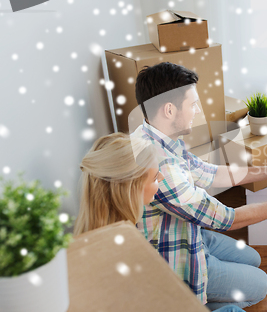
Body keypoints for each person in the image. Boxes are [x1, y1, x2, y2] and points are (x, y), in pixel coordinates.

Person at [133, 62, 267, 310]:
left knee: (253, 259)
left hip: (193, 233)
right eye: (192, 105)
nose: (197, 112)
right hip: (179, 260)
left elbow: (210, 173)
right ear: (169, 110)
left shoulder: (157, 136)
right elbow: (229, 219)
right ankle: (191, 302)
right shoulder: (162, 167)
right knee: (260, 285)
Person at [73, 133, 246, 312]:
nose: (162, 178)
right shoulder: (126, 254)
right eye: (155, 177)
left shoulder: (93, 239)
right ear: (132, 189)